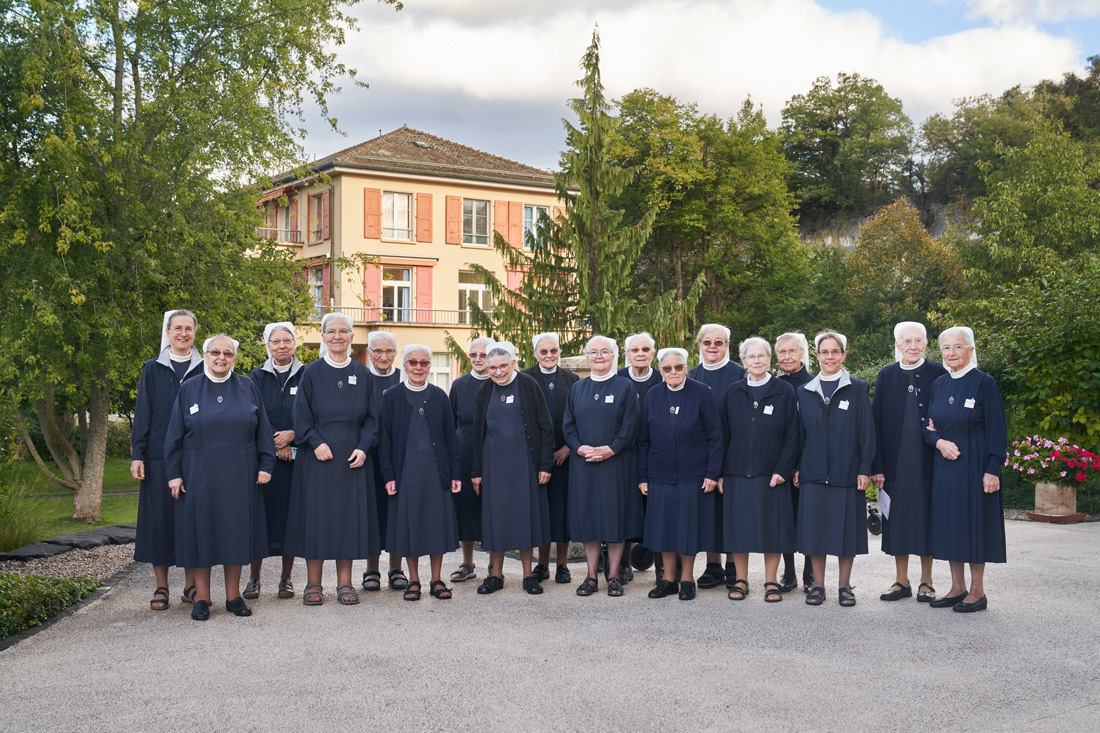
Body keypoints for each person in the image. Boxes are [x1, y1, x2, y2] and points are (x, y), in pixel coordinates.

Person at [165, 335, 276, 620]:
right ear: (205, 355)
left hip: (241, 476)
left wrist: (266, 465)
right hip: (198, 476)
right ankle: (202, 598)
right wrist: (174, 475)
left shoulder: (247, 387)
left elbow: (263, 430)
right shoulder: (189, 389)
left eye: (228, 353)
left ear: (234, 358)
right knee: (202, 535)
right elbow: (174, 436)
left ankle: (233, 596)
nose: (221, 357)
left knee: (235, 535)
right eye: (216, 352)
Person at [283, 313, 381, 606]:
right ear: (323, 337)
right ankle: (313, 584)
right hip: (318, 457)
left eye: (343, 331)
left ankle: (345, 583)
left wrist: (364, 447)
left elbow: (373, 420)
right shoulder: (311, 372)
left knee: (347, 519)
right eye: (332, 332)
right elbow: (300, 415)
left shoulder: (363, 374)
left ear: (352, 336)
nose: (337, 336)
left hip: (353, 457)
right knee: (317, 518)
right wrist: (314, 441)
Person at [924, 327, 1007, 613]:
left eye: (958, 347)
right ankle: (956, 587)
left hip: (976, 463)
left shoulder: (984, 382)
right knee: (950, 526)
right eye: (946, 348)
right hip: (946, 464)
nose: (951, 353)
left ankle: (977, 591)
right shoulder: (938, 384)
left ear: (970, 350)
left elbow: (997, 428)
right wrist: (938, 442)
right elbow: (928, 427)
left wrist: (993, 467)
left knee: (974, 525)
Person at [793, 331, 874, 607]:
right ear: (816, 356)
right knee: (815, 533)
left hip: (847, 473)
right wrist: (797, 467)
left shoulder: (858, 388)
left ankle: (844, 586)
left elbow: (866, 433)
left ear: (843, 355)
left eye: (835, 352)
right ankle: (818, 586)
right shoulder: (804, 391)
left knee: (846, 533)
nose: (830, 357)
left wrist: (865, 468)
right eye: (824, 352)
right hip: (813, 474)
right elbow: (797, 436)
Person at [131, 310, 203, 611]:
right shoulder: (153, 368)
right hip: (158, 456)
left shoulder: (205, 367)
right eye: (178, 328)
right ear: (168, 331)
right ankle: (161, 587)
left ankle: (190, 586)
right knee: (158, 523)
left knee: (189, 522)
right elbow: (143, 413)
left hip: (195, 457)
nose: (183, 333)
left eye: (189, 328)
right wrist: (138, 454)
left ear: (195, 333)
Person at [638, 348, 723, 601]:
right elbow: (643, 439)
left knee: (687, 529)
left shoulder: (702, 393)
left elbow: (715, 436)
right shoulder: (653, 395)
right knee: (664, 528)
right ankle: (668, 579)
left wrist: (712, 472)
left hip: (693, 474)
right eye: (667, 368)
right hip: (659, 473)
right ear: (660, 370)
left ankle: (687, 579)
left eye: (678, 367)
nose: (673, 372)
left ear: (687, 367)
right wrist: (642, 476)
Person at [871, 322, 946, 604]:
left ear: (926, 344)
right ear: (897, 345)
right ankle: (901, 581)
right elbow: (875, 424)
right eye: (907, 341)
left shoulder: (938, 373)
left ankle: (927, 582)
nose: (912, 346)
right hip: (895, 464)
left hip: (928, 463)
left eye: (918, 341)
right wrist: (877, 466)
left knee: (926, 518)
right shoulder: (886, 376)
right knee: (897, 521)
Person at [472, 342, 554, 595]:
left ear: (514, 364)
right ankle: (496, 575)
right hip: (493, 464)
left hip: (524, 463)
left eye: (503, 366)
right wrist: (476, 471)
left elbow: (545, 426)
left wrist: (545, 464)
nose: (497, 372)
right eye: (492, 368)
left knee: (525, 518)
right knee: (496, 519)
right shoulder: (484, 390)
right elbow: (477, 433)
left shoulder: (529, 385)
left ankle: (529, 576)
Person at [720, 338, 799, 603]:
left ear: (769, 360)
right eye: (750, 357)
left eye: (761, 356)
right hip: (737, 473)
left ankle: (771, 581)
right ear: (743, 362)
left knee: (772, 531)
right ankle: (741, 580)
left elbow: (793, 436)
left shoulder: (784, 391)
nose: (756, 361)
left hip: (772, 475)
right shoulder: (732, 392)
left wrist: (782, 469)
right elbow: (722, 435)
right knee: (739, 531)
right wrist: (721, 472)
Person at [381, 345, 462, 601]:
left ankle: (436, 580)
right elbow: (385, 440)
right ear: (404, 366)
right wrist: (389, 476)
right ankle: (413, 580)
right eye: (413, 362)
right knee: (410, 526)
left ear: (429, 366)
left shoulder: (440, 396)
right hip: (406, 475)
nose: (418, 367)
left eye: (424, 363)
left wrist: (455, 473)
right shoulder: (392, 396)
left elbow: (451, 438)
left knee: (436, 526)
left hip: (436, 474)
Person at [563, 335, 642, 597]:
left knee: (615, 518)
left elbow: (630, 425)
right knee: (590, 519)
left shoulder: (625, 387)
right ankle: (590, 576)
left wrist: (611, 449)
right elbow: (568, 425)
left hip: (616, 464)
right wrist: (579, 447)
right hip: (584, 464)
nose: (599, 356)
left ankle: (614, 576)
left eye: (604, 351)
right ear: (587, 357)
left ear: (613, 355)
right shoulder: (578, 388)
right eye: (593, 352)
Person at [244, 322, 303, 600]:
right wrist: (273, 443)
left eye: (287, 341)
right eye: (276, 341)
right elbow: (252, 415)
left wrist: (293, 435)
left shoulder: (308, 374)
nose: (282, 346)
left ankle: (286, 579)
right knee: (260, 518)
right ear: (267, 345)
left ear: (295, 344)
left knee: (289, 520)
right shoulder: (255, 376)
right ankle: (253, 578)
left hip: (296, 460)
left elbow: (313, 413)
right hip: (264, 463)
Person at [687, 324, 746, 590]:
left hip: (735, 454)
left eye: (719, 342)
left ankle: (734, 565)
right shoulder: (690, 376)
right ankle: (713, 566)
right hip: (702, 458)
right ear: (699, 344)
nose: (712, 347)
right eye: (707, 342)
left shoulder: (740, 375)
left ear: (727, 346)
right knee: (710, 513)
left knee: (732, 513)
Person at [523, 332, 580, 585]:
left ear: (560, 352)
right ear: (535, 353)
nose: (549, 355)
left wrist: (568, 447)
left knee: (563, 510)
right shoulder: (524, 378)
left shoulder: (573, 380)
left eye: (553, 351)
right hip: (536, 457)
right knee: (542, 510)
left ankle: (562, 565)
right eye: (543, 351)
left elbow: (579, 418)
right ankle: (542, 565)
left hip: (566, 457)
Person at [447, 336, 494, 584]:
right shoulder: (459, 384)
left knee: (491, 507)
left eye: (484, 355)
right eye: (474, 355)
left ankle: (493, 564)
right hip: (465, 452)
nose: (478, 359)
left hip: (494, 453)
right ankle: (467, 562)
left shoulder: (500, 382)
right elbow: (452, 422)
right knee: (466, 508)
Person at [362, 330, 406, 593]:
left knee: (396, 511)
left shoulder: (405, 377)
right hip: (368, 456)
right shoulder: (361, 379)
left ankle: (395, 568)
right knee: (371, 511)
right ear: (369, 353)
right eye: (377, 351)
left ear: (395, 353)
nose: (383, 356)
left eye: (388, 351)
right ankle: (372, 569)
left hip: (399, 458)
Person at [617, 332, 661, 583]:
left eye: (645, 349)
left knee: (657, 509)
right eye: (635, 350)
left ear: (653, 353)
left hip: (658, 453)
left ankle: (663, 567)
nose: (640, 354)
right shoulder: (619, 379)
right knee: (626, 509)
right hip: (627, 454)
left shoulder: (661, 378)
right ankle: (623, 564)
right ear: (627, 355)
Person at [774, 332, 814, 593]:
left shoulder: (813, 384)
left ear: (802, 353)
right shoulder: (772, 385)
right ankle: (789, 572)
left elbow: (812, 430)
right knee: (783, 521)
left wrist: (800, 465)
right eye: (782, 352)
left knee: (808, 520)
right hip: (779, 465)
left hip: (807, 464)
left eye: (792, 351)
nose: (787, 356)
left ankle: (810, 573)